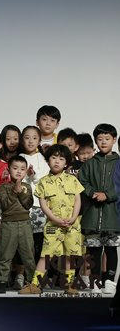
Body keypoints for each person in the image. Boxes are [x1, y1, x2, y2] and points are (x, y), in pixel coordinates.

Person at [24, 144, 84, 295]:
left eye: (61, 159)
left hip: (72, 225)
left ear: (66, 163)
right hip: (53, 225)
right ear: (48, 160)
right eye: (54, 157)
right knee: (46, 255)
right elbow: (43, 204)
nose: (57, 161)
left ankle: (69, 285)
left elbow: (78, 200)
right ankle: (35, 285)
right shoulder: (43, 182)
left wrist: (73, 217)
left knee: (70, 255)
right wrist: (55, 219)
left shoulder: (72, 180)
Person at [79, 124, 120, 295]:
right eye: (100, 139)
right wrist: (92, 193)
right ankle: (95, 280)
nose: (103, 142)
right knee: (93, 251)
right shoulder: (90, 163)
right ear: (95, 141)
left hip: (112, 216)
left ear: (114, 140)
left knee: (111, 250)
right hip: (92, 215)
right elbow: (82, 181)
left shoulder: (118, 163)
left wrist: (107, 195)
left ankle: (109, 281)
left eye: (107, 139)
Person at [0, 156, 37, 294]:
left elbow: (28, 204)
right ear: (8, 170)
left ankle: (32, 282)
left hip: (25, 224)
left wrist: (21, 192)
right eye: (15, 168)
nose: (19, 171)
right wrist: (14, 191)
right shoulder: (4, 186)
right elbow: (5, 205)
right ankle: (2, 281)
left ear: (26, 171)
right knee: (5, 254)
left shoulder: (27, 187)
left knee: (28, 254)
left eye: (22, 169)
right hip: (8, 224)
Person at [20, 125, 50, 263]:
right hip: (23, 205)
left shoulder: (42, 159)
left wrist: (33, 175)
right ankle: (24, 271)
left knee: (40, 240)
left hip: (39, 205)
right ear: (22, 140)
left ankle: (40, 270)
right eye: (27, 138)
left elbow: (44, 179)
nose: (30, 141)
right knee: (24, 241)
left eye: (34, 138)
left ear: (39, 141)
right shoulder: (19, 158)